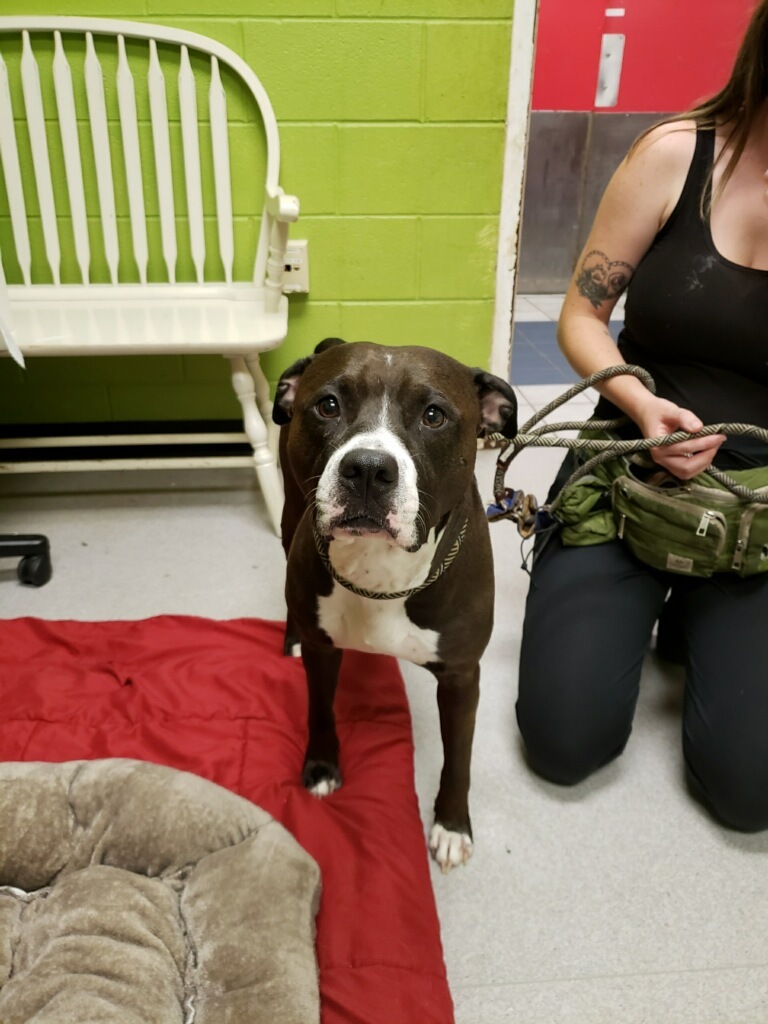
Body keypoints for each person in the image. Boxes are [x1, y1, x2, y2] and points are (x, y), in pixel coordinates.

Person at [516, 0, 768, 832]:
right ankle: (657, 587)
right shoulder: (677, 153)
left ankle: (696, 606)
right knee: (564, 743)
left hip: (758, 507)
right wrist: (637, 401)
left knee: (748, 793)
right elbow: (581, 318)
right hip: (629, 463)